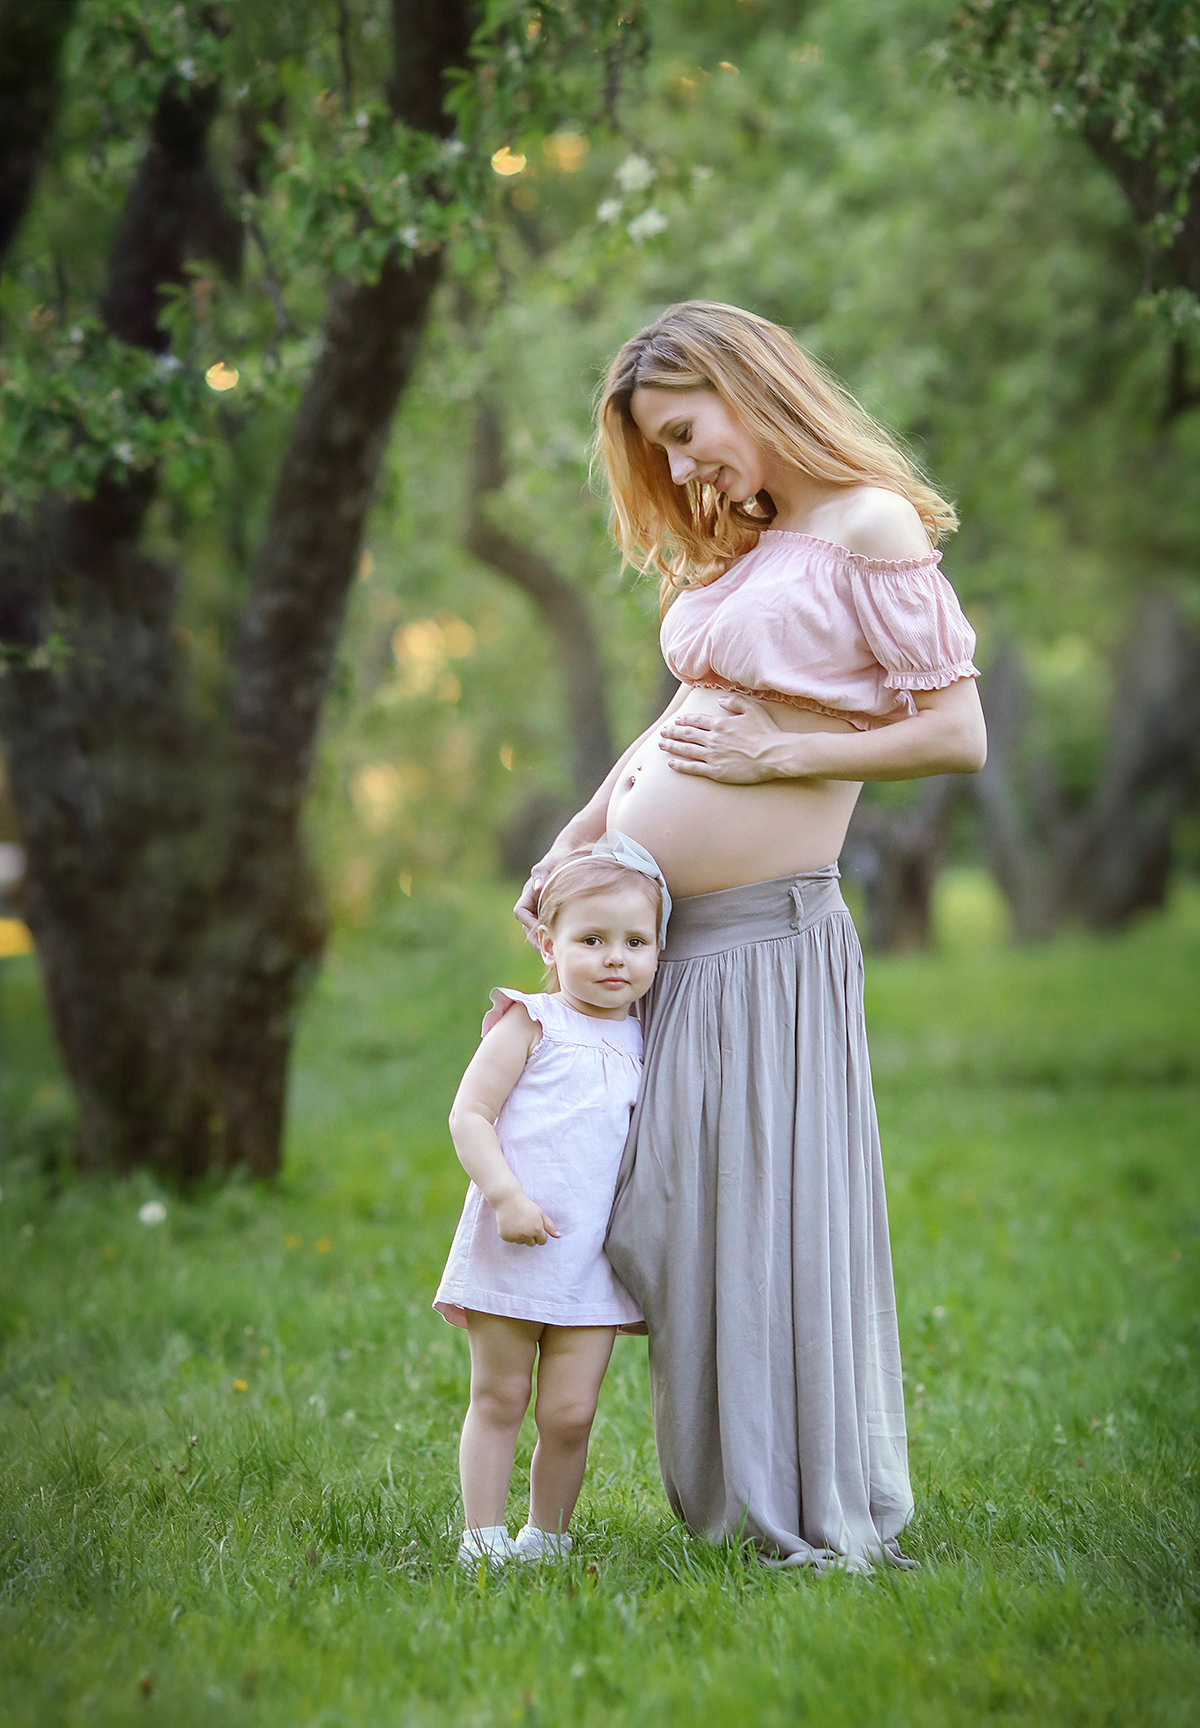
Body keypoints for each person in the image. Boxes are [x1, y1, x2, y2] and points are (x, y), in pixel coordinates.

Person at [515, 301, 987, 1572]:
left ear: (745, 384)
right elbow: (684, 717)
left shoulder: (867, 527)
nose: (678, 471)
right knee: (666, 1219)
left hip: (765, 946)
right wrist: (580, 838)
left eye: (682, 433)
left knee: (747, 1221)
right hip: (665, 939)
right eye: (657, 451)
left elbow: (955, 734)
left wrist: (791, 751)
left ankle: (792, 1504)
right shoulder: (760, 539)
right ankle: (728, 1496)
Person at [435, 835, 669, 1569]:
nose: (614, 958)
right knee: (501, 1396)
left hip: (594, 1258)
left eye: (636, 942)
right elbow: (468, 1114)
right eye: (592, 939)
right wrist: (505, 1196)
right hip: (515, 1241)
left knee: (570, 1413)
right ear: (547, 939)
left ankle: (547, 1538)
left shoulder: (648, 1038)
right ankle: (482, 1537)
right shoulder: (530, 1023)